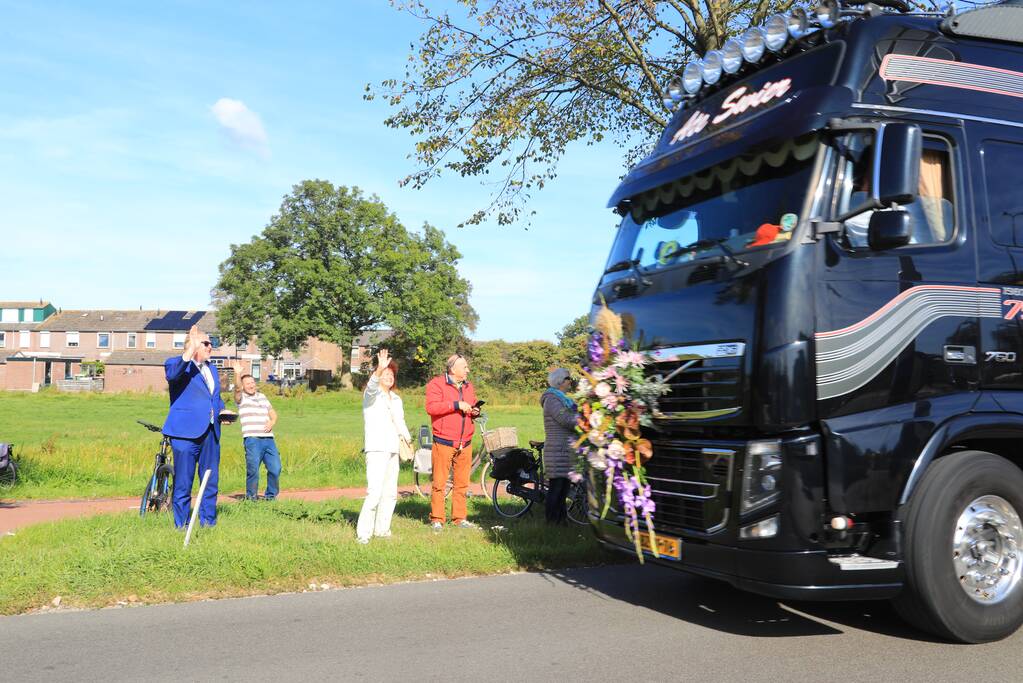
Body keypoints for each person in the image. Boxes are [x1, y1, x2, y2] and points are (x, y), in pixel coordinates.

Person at [162, 324, 230, 529]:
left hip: (211, 432)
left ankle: (208, 522)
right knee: (183, 481)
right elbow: (172, 376)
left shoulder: (213, 369)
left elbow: (214, 398)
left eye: (212, 343)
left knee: (210, 479)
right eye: (206, 343)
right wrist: (190, 350)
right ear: (193, 345)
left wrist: (223, 412)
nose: (211, 346)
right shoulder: (176, 364)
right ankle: (180, 525)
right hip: (185, 434)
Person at [357, 349, 412, 544]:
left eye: (391, 374)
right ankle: (364, 533)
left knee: (390, 492)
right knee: (374, 492)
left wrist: (408, 441)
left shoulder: (396, 399)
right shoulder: (371, 395)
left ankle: (382, 529)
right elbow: (372, 386)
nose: (389, 377)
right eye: (385, 374)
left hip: (393, 448)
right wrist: (379, 369)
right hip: (376, 448)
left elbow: (400, 422)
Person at [425, 353, 479, 531]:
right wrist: (455, 405)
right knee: (439, 483)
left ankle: (459, 518)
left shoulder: (469, 386)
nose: (467, 370)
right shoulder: (436, 384)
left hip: (466, 441)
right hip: (444, 441)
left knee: (462, 483)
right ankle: (437, 520)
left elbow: (469, 407)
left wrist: (474, 411)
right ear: (453, 369)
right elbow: (431, 408)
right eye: (464, 367)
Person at [231, 363, 281, 501]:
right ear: (243, 386)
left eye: (252, 382)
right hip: (252, 439)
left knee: (275, 469)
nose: (251, 385)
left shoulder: (262, 396)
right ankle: (251, 498)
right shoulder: (241, 398)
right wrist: (237, 374)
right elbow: (236, 388)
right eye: (247, 383)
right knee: (253, 471)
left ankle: (270, 497)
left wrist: (272, 422)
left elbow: (273, 413)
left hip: (268, 439)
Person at [541, 368, 577, 524]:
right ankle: (551, 522)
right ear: (561, 381)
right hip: (557, 450)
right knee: (556, 488)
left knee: (564, 488)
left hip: (564, 449)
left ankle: (561, 521)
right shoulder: (552, 399)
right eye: (568, 378)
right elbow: (566, 420)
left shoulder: (563, 399)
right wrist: (586, 420)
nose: (571, 381)